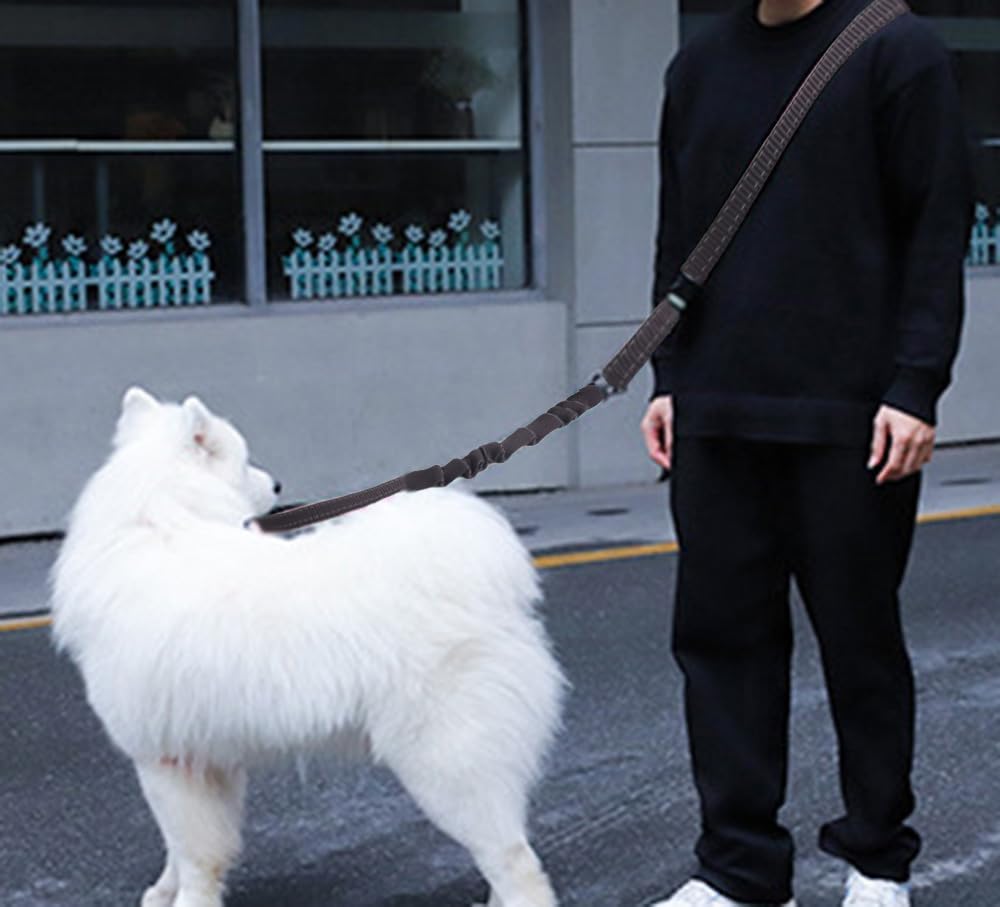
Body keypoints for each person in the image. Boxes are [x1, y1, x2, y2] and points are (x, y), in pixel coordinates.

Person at [639, 0, 975, 905]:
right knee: (720, 647)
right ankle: (741, 868)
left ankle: (878, 860)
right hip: (715, 408)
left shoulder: (896, 50)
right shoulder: (698, 65)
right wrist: (668, 375)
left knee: (861, 646)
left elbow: (936, 228)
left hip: (852, 413)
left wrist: (916, 385)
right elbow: (679, 238)